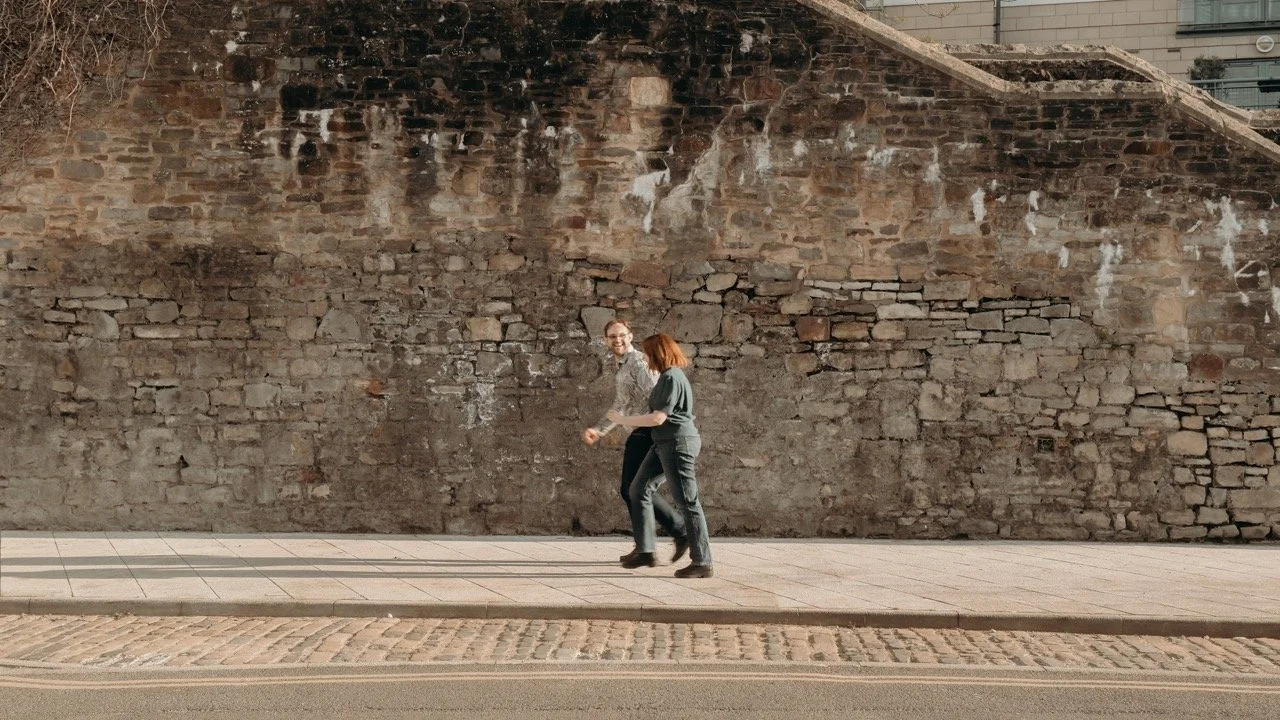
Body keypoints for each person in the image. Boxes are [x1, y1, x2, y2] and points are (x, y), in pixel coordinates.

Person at [582, 320, 689, 564]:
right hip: (639, 431)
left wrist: (651, 423)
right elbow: (620, 403)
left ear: (631, 336)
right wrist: (599, 431)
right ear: (605, 340)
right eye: (612, 337)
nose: (617, 340)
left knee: (636, 489)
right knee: (634, 489)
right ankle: (649, 546)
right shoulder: (621, 366)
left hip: (648, 432)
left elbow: (657, 395)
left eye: (621, 335)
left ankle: (669, 536)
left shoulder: (639, 363)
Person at [607, 333, 713, 579]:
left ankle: (702, 561)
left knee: (688, 502)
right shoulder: (666, 377)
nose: (644, 357)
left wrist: (623, 420)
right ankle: (646, 550)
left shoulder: (672, 377)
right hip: (662, 442)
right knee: (637, 489)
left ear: (658, 353)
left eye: (647, 353)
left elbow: (658, 418)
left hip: (677, 443)